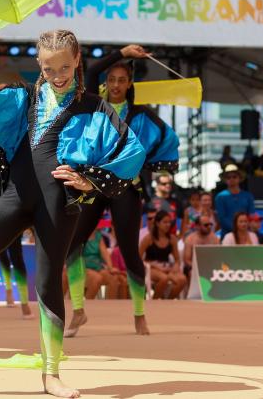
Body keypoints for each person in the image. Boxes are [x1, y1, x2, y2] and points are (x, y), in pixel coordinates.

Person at [0, 30, 145, 398]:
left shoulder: (93, 107)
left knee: (49, 284)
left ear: (78, 60)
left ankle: (51, 374)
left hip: (58, 204)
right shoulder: (28, 97)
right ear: (39, 64)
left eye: (65, 66)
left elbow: (131, 152)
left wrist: (91, 179)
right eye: (50, 67)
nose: (58, 74)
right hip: (16, 196)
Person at [65, 42, 179, 337]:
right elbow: (90, 70)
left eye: (121, 80)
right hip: (93, 184)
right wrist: (123, 54)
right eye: (111, 80)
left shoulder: (141, 115)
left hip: (127, 188)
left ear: (129, 84)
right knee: (71, 245)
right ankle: (78, 311)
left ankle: (140, 315)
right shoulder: (92, 102)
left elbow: (165, 138)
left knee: (129, 252)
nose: (115, 85)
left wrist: (147, 167)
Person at [139, 213, 186, 299]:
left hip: (166, 267)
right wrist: (153, 265)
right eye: (165, 222)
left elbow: (177, 259)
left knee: (182, 279)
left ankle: (167, 300)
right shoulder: (148, 239)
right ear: (157, 223)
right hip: (151, 268)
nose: (168, 225)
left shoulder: (172, 239)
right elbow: (138, 258)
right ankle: (155, 300)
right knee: (164, 279)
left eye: (169, 222)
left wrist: (176, 266)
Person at [214, 164, 255, 236]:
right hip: (227, 235)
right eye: (228, 177)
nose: (231, 179)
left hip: (245, 234)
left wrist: (244, 228)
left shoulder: (248, 196)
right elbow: (221, 218)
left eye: (234, 177)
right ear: (225, 180)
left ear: (239, 178)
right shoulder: (220, 197)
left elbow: (251, 215)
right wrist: (236, 229)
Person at [183, 214, 219, 280]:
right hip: (193, 267)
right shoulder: (190, 239)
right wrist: (199, 267)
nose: (209, 227)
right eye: (206, 225)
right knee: (191, 272)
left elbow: (218, 256)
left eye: (210, 224)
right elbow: (187, 260)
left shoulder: (214, 238)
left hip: (210, 266)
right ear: (197, 226)